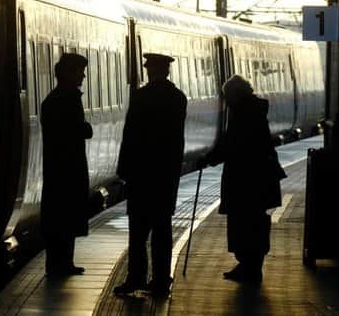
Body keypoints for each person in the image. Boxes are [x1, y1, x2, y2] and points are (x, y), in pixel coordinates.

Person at [114, 53, 187, 296]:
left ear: (150, 71)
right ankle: (160, 281)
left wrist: (124, 170)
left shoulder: (141, 97)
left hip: (141, 175)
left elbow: (130, 136)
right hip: (166, 175)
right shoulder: (178, 98)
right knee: (162, 231)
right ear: (166, 72)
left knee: (138, 233)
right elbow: (177, 140)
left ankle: (136, 278)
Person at [202, 74, 284, 283]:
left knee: (244, 223)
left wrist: (209, 159)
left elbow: (232, 144)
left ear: (235, 95)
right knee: (254, 223)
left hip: (246, 181)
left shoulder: (242, 114)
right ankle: (250, 266)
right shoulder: (252, 110)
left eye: (227, 96)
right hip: (260, 179)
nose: (225, 101)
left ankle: (249, 267)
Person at [40, 52, 93, 277]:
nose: (83, 76)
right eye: (80, 71)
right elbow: (76, 130)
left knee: (59, 218)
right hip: (68, 169)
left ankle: (59, 263)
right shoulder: (68, 99)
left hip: (56, 169)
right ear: (69, 73)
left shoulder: (51, 100)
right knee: (65, 217)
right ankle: (62, 264)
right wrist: (85, 129)